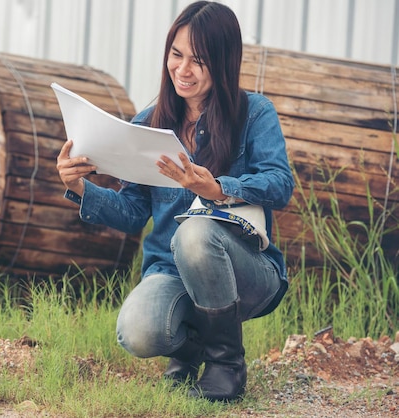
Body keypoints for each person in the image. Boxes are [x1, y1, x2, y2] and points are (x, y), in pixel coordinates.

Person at [55, 1, 294, 402]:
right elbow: (133, 213)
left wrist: (218, 188)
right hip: (171, 269)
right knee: (136, 331)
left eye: (198, 60)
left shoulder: (254, 114)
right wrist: (80, 188)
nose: (182, 70)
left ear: (223, 61)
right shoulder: (148, 123)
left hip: (248, 271)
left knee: (195, 233)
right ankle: (191, 351)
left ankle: (226, 364)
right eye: (176, 55)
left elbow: (280, 184)